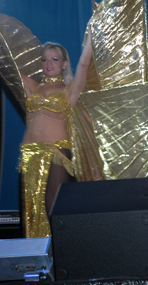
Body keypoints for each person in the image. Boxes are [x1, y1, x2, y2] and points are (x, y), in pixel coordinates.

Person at [20, 35, 93, 238]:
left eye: (54, 59)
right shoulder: (32, 87)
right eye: (44, 59)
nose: (49, 63)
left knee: (54, 204)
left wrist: (90, 41)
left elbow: (85, 64)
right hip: (30, 154)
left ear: (64, 64)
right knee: (33, 211)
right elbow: (6, 64)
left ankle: (65, 255)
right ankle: (41, 258)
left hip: (57, 152)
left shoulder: (70, 89)